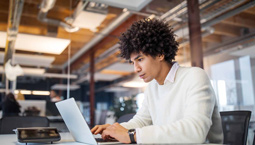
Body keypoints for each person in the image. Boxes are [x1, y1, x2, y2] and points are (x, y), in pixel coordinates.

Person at [91, 18, 223, 144]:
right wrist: (114, 129)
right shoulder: (153, 87)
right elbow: (141, 121)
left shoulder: (194, 76)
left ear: (160, 54)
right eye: (133, 62)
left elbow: (195, 131)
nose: (136, 69)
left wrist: (132, 135)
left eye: (140, 59)